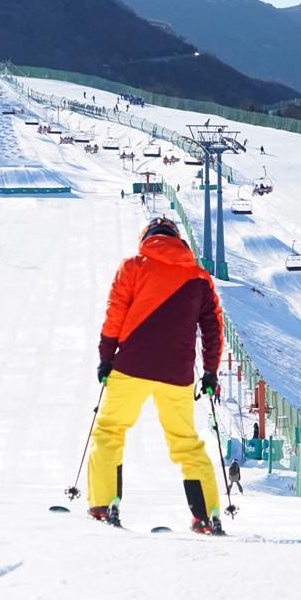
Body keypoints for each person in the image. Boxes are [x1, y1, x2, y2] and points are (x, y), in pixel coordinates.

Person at [91, 216, 227, 535]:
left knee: (110, 431)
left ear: (147, 238)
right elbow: (212, 329)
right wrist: (210, 372)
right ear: (178, 240)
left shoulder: (133, 267)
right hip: (176, 373)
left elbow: (115, 314)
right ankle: (207, 515)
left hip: (131, 366)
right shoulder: (199, 278)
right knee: (185, 442)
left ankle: (104, 503)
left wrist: (105, 358)